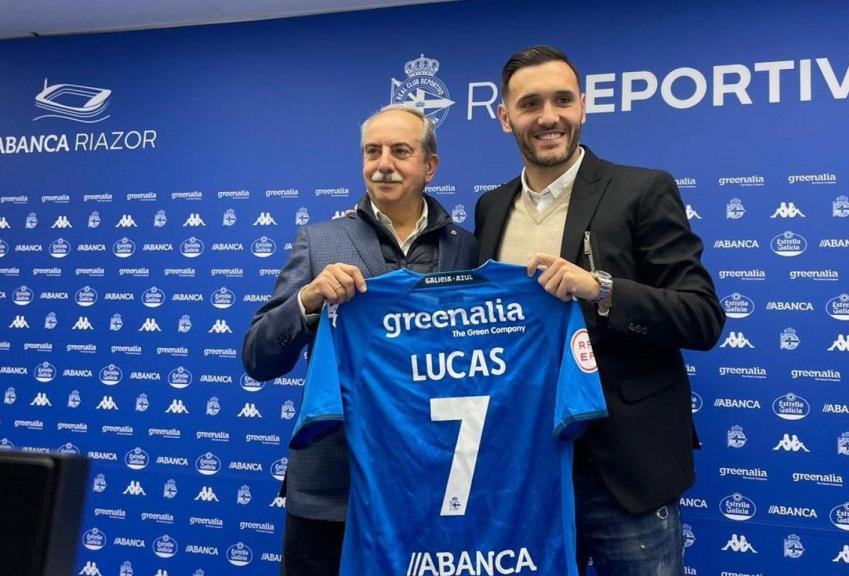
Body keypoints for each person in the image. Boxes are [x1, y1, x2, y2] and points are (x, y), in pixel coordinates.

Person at [474, 45, 725, 575]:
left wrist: (603, 289)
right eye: (530, 104)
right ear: (505, 117)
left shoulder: (642, 189)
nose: (548, 117)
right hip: (524, 464)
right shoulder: (490, 207)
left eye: (562, 100)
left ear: (583, 107)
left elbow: (702, 316)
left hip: (622, 467)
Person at [243, 104, 478, 576]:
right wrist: (306, 300)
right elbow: (257, 358)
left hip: (432, 486)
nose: (383, 163)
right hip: (332, 491)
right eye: (373, 152)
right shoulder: (319, 240)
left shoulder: (468, 249)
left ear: (429, 166)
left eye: (400, 151)